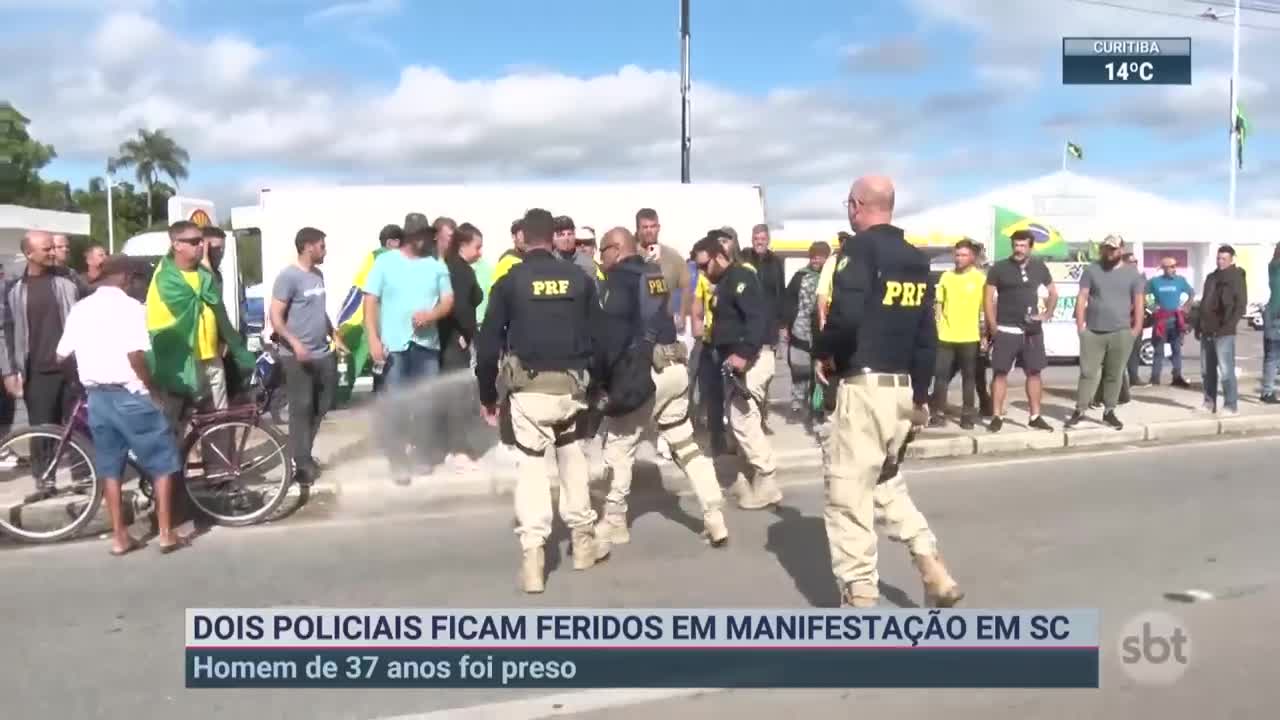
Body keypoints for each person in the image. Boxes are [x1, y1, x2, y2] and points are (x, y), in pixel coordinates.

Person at [814, 175, 962, 609]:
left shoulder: (859, 250)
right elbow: (925, 334)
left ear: (858, 205)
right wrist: (920, 395)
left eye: (848, 203)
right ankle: (931, 564)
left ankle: (860, 602)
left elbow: (845, 317)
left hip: (863, 388)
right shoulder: (915, 260)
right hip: (900, 391)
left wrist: (825, 355)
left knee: (847, 497)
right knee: (885, 481)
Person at [475, 208, 610, 593]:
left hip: (529, 393)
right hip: (571, 390)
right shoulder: (578, 278)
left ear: (523, 239)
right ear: (552, 238)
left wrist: (488, 395)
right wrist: (597, 386)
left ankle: (534, 559)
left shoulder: (511, 280)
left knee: (533, 469)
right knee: (572, 460)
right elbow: (600, 339)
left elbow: (487, 347)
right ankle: (583, 543)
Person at [592, 228, 729, 547]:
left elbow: (610, 339)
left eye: (603, 251)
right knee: (685, 445)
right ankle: (714, 515)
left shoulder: (618, 281)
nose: (600, 258)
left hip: (645, 376)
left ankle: (614, 521)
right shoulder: (653, 273)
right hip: (674, 370)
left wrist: (600, 382)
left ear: (616, 248)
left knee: (619, 445)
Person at [55, 255, 188, 555]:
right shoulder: (132, 309)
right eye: (137, 278)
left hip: (98, 398)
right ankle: (166, 533)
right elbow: (135, 357)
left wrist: (79, 383)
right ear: (127, 278)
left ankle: (119, 537)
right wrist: (153, 390)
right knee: (163, 462)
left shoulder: (80, 309)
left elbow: (60, 357)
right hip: (131, 396)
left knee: (110, 469)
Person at [362, 212, 455, 484]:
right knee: (398, 405)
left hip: (427, 346)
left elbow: (448, 301)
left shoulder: (435, 264)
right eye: (422, 235)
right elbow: (370, 301)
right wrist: (373, 339)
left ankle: (421, 455)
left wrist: (431, 315)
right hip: (395, 347)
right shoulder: (384, 262)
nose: (426, 240)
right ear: (411, 236)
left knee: (425, 404)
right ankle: (398, 460)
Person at [0, 231, 84, 494]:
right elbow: (6, 332)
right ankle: (44, 480)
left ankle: (84, 477)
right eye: (47, 249)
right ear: (29, 254)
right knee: (42, 429)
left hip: (71, 368)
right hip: (36, 371)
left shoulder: (69, 280)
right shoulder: (13, 288)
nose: (53, 252)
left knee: (78, 426)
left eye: (54, 248)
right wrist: (9, 371)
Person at [700, 237, 778, 509]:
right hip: (737, 363)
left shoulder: (741, 277)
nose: (702, 272)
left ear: (719, 257)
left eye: (704, 265)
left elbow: (757, 318)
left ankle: (767, 479)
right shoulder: (724, 282)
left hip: (754, 360)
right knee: (744, 419)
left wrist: (743, 354)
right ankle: (755, 477)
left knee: (742, 419)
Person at [270, 227, 346, 487]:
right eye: (322, 246)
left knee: (321, 406)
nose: (325, 250)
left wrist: (333, 334)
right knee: (301, 408)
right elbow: (276, 318)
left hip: (322, 353)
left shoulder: (317, 275)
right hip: (296, 356)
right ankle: (300, 464)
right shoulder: (288, 277)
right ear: (308, 246)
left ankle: (303, 455)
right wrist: (295, 344)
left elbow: (319, 312)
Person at [1064, 236, 1145, 430]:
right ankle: (1080, 409)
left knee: (1114, 374)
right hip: (1093, 331)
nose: (1109, 253)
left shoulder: (1133, 274)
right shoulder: (1092, 270)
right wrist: (1080, 326)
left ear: (1121, 250)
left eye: (1113, 249)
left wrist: (1136, 328)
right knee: (1087, 372)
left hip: (1121, 331)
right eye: (1106, 249)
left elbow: (1139, 300)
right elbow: (1082, 297)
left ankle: (1109, 411)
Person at [983, 229, 1057, 433]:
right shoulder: (999, 268)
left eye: (1023, 245)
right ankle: (997, 415)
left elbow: (1053, 291)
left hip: (1031, 331)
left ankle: (1035, 416)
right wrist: (992, 326)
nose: (1019, 249)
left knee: (1034, 373)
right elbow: (988, 297)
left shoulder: (1039, 267)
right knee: (1000, 373)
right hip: (1005, 329)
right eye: (1016, 245)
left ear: (1030, 247)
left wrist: (1047, 314)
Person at [930, 239, 986, 429]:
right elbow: (938, 303)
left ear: (972, 257)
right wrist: (938, 324)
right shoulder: (946, 276)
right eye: (957, 255)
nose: (959, 258)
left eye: (963, 255)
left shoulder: (979, 278)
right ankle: (937, 414)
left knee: (968, 378)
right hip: (946, 336)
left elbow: (985, 307)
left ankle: (967, 416)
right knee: (940, 377)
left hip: (970, 337)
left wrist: (985, 333)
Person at [783, 241, 830, 425]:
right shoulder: (800, 276)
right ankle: (797, 404)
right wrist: (787, 325)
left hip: (822, 330)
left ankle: (817, 407)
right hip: (800, 329)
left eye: (820, 255)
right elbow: (789, 301)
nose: (816, 259)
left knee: (819, 371)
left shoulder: (830, 277)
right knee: (799, 369)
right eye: (813, 255)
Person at [1197, 245, 1247, 415]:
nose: (1220, 262)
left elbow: (1240, 305)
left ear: (1231, 259)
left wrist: (1229, 325)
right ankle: (1209, 402)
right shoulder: (1212, 277)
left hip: (1224, 331)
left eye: (1224, 259)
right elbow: (1204, 302)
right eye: (1218, 258)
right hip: (1207, 330)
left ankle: (1231, 405)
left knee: (1226, 371)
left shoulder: (1236, 277)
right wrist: (1198, 324)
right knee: (1207, 370)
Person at [636, 208, 692, 334]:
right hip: (637, 327)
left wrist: (682, 315)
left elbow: (686, 286)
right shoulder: (630, 255)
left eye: (653, 226)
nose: (649, 231)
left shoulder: (673, 256)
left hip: (665, 327)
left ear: (659, 227)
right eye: (645, 227)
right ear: (638, 229)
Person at [439, 223, 484, 372]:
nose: (480, 253)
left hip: (449, 337)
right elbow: (460, 306)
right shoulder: (460, 270)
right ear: (463, 246)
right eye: (477, 247)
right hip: (455, 339)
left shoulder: (452, 266)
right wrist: (467, 333)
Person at [1146, 256, 1194, 388]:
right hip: (1161, 320)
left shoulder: (1180, 281)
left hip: (1175, 320)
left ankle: (1177, 377)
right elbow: (1146, 295)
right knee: (1158, 351)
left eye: (1175, 266)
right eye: (1171, 267)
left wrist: (1186, 307)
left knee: (1176, 350)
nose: (1174, 269)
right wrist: (1152, 307)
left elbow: (1191, 293)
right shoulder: (1154, 282)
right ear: (1164, 268)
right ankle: (1154, 379)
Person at [1262, 245, 1280, 404]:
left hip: (1271, 314)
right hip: (1276, 315)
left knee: (1272, 356)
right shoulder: (1276, 268)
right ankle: (1267, 392)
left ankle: (1267, 391)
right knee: (1273, 356)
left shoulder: (1273, 266)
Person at [492, 218, 527, 285]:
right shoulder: (507, 260)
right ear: (514, 237)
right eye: (522, 235)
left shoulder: (534, 257)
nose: (526, 239)